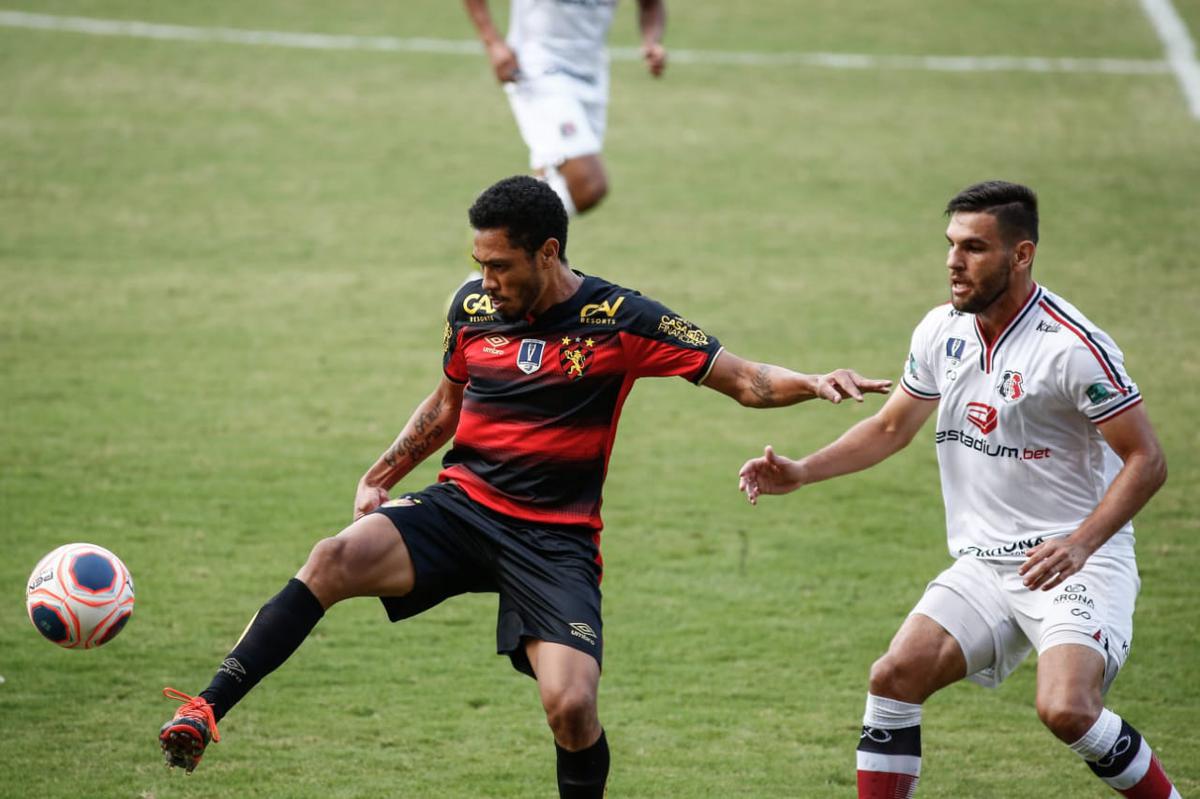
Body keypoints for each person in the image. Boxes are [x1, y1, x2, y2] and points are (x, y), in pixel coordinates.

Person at [158, 175, 891, 797]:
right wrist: (381, 475)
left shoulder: (618, 317)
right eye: (478, 263)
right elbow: (446, 404)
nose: (486, 282)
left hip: (554, 539)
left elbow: (743, 378)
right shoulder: (473, 311)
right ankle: (205, 707)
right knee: (332, 558)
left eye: (501, 265)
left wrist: (812, 382)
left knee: (571, 706)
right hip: (461, 509)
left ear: (548, 252)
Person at [738, 180, 1181, 798]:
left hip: (1077, 564)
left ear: (1020, 255)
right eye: (951, 245)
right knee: (894, 676)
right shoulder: (942, 331)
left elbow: (1148, 460)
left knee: (1067, 710)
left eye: (974, 247)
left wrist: (1081, 544)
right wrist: (803, 470)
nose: (953, 260)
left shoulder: (1074, 349)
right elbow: (892, 426)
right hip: (987, 565)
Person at [462, 0, 667, 217]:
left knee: (549, 185)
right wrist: (492, 43)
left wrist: (651, 41)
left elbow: (651, 5)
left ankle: (500, 236)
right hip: (537, 66)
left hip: (592, 74)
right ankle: (494, 227)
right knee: (588, 185)